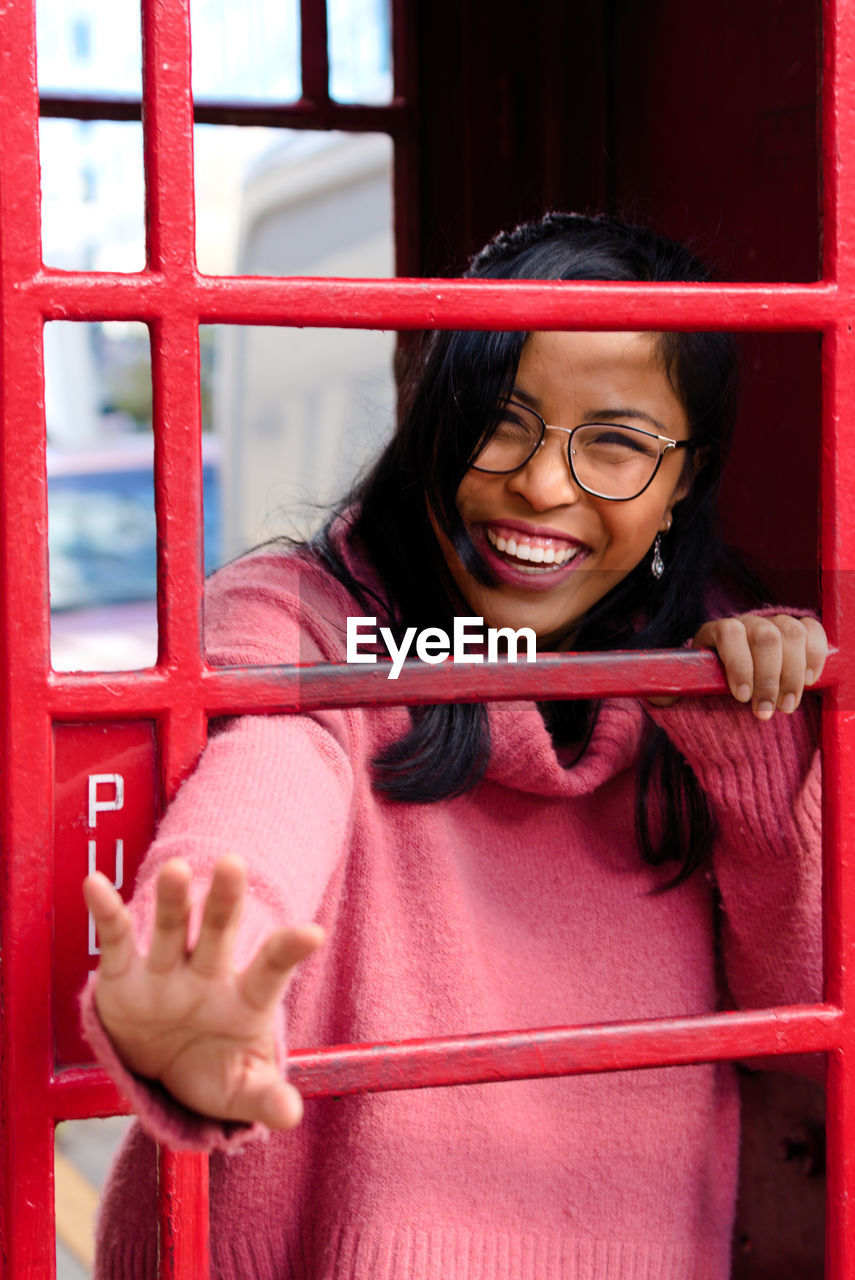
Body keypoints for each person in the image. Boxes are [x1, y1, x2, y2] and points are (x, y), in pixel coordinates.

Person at [81, 212, 827, 1280]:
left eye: (614, 442)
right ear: (430, 421)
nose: (543, 485)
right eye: (499, 420)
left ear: (683, 480)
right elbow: (273, 776)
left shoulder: (725, 658)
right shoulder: (308, 622)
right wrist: (210, 962)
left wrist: (754, 749)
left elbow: (803, 1018)